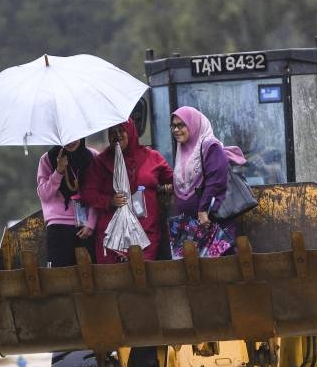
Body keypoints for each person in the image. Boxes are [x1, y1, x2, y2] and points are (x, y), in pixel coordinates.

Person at [82, 119, 174, 263]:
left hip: (145, 234)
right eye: (112, 132)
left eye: (121, 130)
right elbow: (88, 193)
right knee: (114, 281)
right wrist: (110, 201)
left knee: (142, 278)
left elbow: (174, 180)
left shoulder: (152, 157)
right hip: (112, 238)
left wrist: (167, 188)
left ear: (130, 130)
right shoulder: (101, 162)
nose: (117, 136)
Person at [170, 106, 245, 257]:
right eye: (173, 126)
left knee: (220, 269)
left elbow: (216, 180)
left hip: (211, 221)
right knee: (195, 272)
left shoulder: (210, 146)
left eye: (181, 125)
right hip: (191, 225)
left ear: (193, 125)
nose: (176, 130)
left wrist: (203, 210)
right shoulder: (182, 149)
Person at [37, 139, 97, 267]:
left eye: (74, 136)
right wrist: (58, 171)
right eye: (66, 138)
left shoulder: (93, 156)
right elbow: (44, 195)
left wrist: (91, 223)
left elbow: (99, 191)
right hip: (58, 226)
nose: (71, 141)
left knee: (89, 278)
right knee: (59, 279)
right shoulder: (47, 159)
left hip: (86, 227)